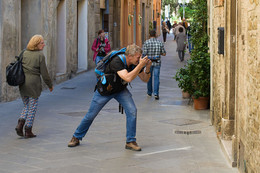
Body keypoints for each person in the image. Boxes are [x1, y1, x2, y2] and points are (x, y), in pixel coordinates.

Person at [68, 44, 152, 151]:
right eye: (138, 57)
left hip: (120, 90)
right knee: (91, 115)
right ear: (130, 56)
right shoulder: (117, 61)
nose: (139, 59)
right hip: (105, 91)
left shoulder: (135, 63)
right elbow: (128, 77)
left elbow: (145, 79)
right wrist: (140, 65)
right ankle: (76, 136)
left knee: (132, 111)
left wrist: (147, 68)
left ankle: (130, 141)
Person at [15, 35, 53, 138]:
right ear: (36, 44)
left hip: (22, 83)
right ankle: (28, 130)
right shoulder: (40, 56)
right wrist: (50, 85)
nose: (44, 44)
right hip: (34, 84)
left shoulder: (23, 53)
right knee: (32, 108)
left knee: (26, 106)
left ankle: (20, 125)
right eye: (42, 43)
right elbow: (44, 74)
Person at [142, 30, 166, 100]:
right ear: (155, 35)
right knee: (156, 78)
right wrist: (159, 53)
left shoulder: (146, 43)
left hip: (149, 63)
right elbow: (164, 53)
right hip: (157, 62)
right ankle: (156, 93)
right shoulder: (160, 43)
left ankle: (149, 92)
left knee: (148, 77)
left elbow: (144, 54)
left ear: (149, 35)